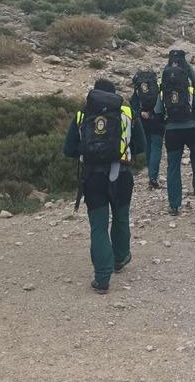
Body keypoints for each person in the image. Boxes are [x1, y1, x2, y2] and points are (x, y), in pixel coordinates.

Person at [62, 78, 146, 294]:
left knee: (98, 226)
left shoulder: (83, 113)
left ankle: (102, 279)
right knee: (120, 218)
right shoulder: (127, 112)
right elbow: (141, 146)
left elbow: (69, 149)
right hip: (122, 174)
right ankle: (120, 258)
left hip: (92, 177)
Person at [154, 61, 195, 215]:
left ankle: (174, 204)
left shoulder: (163, 93)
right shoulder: (190, 90)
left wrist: (167, 122)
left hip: (172, 132)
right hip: (190, 129)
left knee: (173, 166)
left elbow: (157, 115)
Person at [131, 71, 164, 189]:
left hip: (143, 121)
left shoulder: (138, 88)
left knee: (148, 147)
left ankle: (151, 175)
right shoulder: (158, 86)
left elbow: (133, 105)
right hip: (158, 120)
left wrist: (141, 113)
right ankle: (153, 177)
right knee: (156, 148)